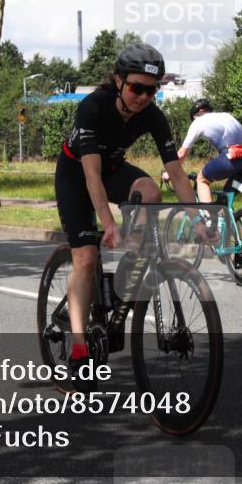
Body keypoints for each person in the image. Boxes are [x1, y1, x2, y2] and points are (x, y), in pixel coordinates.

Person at [55, 43, 208, 390]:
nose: (143, 97)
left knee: (151, 191)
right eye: (137, 88)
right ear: (118, 80)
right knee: (85, 257)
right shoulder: (93, 107)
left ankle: (129, 273)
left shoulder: (153, 115)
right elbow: (91, 176)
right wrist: (108, 224)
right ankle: (79, 349)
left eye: (151, 90)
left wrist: (198, 220)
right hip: (76, 174)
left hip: (112, 168)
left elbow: (177, 173)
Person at [162, 99, 242, 203]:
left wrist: (170, 173)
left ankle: (209, 218)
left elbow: (182, 153)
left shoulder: (197, 122)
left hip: (230, 157)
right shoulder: (226, 115)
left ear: (195, 116)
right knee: (227, 197)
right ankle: (226, 212)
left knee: (202, 180)